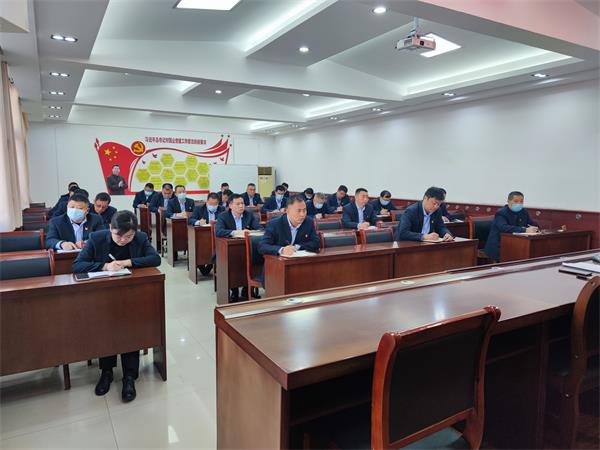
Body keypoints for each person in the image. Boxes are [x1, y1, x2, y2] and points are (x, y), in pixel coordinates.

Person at [72, 210, 161, 403]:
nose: (122, 240)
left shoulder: (140, 238)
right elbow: (78, 266)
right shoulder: (96, 238)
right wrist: (105, 266)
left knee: (131, 330)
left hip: (132, 297)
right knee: (106, 330)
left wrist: (128, 262)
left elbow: (155, 259)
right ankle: (106, 372)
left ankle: (130, 376)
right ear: (110, 228)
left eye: (128, 236)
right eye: (118, 235)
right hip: (102, 298)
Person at [215, 194, 262, 301]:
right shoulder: (223, 216)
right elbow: (218, 231)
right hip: (228, 249)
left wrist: (251, 232)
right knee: (234, 261)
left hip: (246, 247)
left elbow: (259, 228)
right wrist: (236, 232)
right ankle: (234, 290)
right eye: (238, 204)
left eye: (242, 203)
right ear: (230, 206)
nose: (241, 206)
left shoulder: (248, 215)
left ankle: (247, 289)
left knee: (251, 259)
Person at [483, 191, 540, 261]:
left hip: (516, 244)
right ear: (508, 201)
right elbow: (503, 227)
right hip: (499, 245)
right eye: (516, 201)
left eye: (521, 201)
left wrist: (535, 228)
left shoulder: (524, 212)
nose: (519, 204)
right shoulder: (501, 213)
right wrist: (525, 230)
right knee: (516, 255)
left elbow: (531, 223)